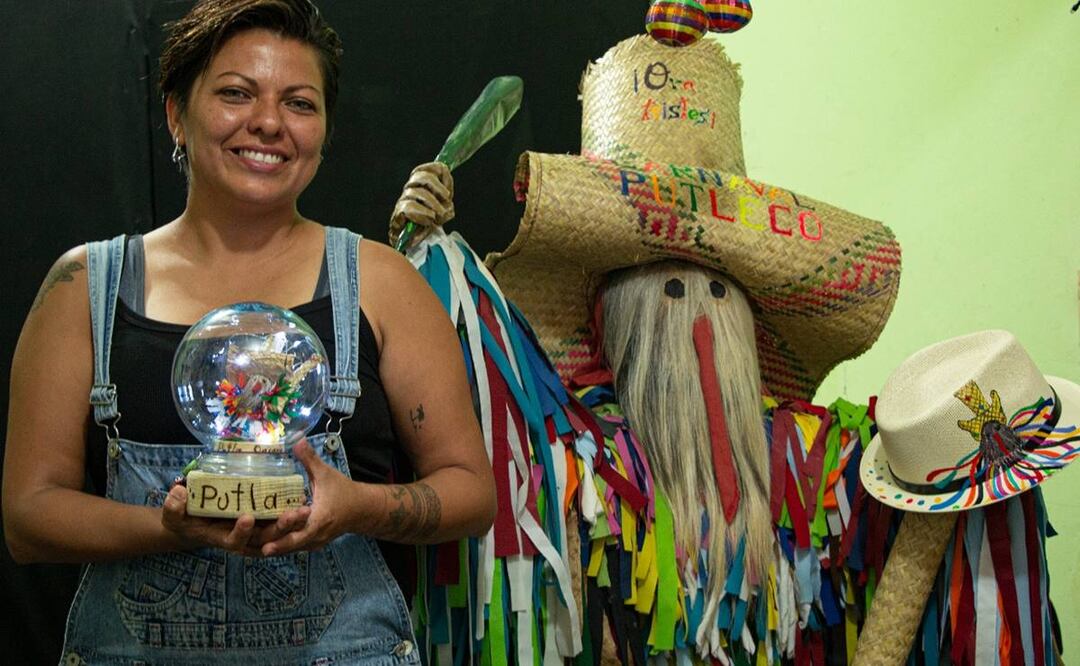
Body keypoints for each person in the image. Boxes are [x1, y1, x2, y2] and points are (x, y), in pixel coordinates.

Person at [2, 1, 495, 663]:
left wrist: (358, 507)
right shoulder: (83, 287)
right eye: (235, 94)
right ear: (177, 113)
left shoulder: (382, 284)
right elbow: (28, 517)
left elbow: (471, 492)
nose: (268, 123)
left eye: (300, 103)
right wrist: (172, 528)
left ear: (323, 129)